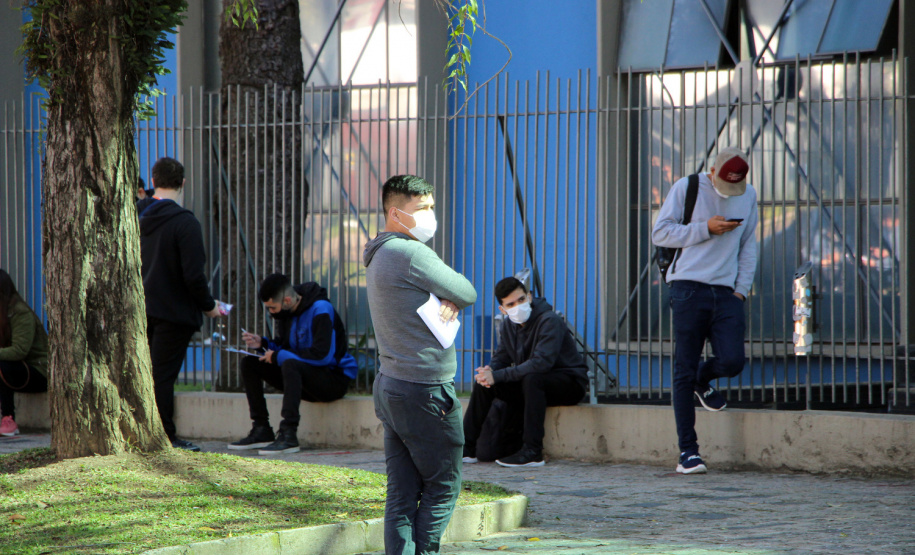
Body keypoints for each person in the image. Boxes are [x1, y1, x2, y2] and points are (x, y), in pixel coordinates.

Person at [364, 174, 477, 554]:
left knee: (402, 492)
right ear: (396, 213)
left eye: (432, 206)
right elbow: (467, 291)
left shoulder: (379, 252)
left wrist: (447, 297)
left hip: (391, 383)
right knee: (443, 486)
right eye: (422, 208)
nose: (431, 215)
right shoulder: (410, 253)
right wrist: (452, 297)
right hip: (425, 390)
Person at [651, 146, 758, 474]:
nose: (730, 193)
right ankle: (688, 453)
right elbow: (661, 232)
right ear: (713, 170)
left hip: (726, 293)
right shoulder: (688, 187)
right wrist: (705, 228)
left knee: (732, 361)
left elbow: (748, 244)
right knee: (682, 370)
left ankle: (703, 379)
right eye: (725, 184)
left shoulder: (748, 195)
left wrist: (741, 291)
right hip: (687, 288)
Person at [138, 157, 223, 452]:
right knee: (163, 377)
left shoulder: (137, 218)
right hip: (174, 314)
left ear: (153, 181)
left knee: (146, 373)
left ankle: (146, 432)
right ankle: (166, 437)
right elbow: (193, 276)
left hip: (142, 311)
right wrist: (209, 306)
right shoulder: (185, 223)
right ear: (183, 183)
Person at [462, 276, 588, 468]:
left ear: (529, 296)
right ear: (503, 310)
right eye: (511, 304)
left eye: (521, 300)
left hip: (569, 383)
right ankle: (465, 449)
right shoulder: (507, 325)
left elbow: (540, 364)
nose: (518, 306)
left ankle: (533, 452)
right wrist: (489, 371)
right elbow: (502, 356)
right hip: (533, 383)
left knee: (532, 378)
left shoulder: (549, 321)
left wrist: (497, 375)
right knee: (484, 384)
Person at [231, 273, 358, 455]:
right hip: (306, 377)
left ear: (287, 300)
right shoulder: (288, 312)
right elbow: (285, 346)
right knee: (250, 364)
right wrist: (263, 344)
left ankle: (288, 433)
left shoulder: (321, 309)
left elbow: (322, 356)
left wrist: (279, 356)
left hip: (333, 380)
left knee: (290, 363)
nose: (271, 313)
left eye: (272, 308)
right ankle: (261, 428)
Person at [0, 270, 48, 437]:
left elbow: (19, 351)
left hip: (39, 372)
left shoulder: (20, 313)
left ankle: (8, 419)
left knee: (2, 366)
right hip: (16, 370)